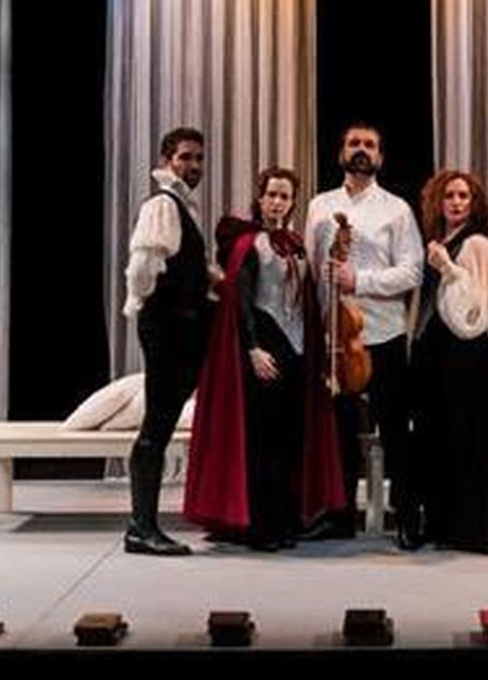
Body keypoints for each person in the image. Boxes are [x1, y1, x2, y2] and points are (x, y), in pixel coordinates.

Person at [183, 167, 345, 550]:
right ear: (260, 198)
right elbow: (240, 300)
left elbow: (307, 303)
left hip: (296, 352)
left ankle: (284, 521)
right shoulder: (249, 243)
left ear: (293, 202)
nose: (277, 202)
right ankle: (260, 527)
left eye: (284, 196)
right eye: (271, 195)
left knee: (288, 440)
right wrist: (253, 349)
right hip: (264, 347)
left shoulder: (296, 244)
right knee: (263, 441)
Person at [302, 123, 425, 548]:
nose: (361, 150)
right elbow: (311, 269)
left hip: (383, 334)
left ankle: (407, 516)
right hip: (335, 338)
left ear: (380, 157)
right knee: (338, 433)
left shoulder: (397, 209)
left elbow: (412, 271)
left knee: (395, 430)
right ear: (341, 152)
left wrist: (361, 280)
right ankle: (339, 517)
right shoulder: (320, 206)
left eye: (369, 145)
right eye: (354, 143)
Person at [121, 127, 212, 556]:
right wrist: (155, 306)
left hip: (177, 326)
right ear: (166, 160)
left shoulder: (180, 205)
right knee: (156, 426)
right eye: (185, 157)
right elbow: (142, 269)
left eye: (198, 158)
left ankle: (143, 525)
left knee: (159, 422)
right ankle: (141, 527)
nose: (193, 165)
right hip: (167, 328)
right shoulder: (162, 204)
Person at [410, 170, 488, 554]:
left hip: (466, 353)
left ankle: (472, 529)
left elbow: (480, 304)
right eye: (449, 195)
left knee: (466, 436)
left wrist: (447, 267)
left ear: (474, 204)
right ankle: (441, 524)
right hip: (434, 351)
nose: (457, 202)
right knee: (436, 436)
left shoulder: (478, 244)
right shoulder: (436, 243)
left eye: (464, 196)